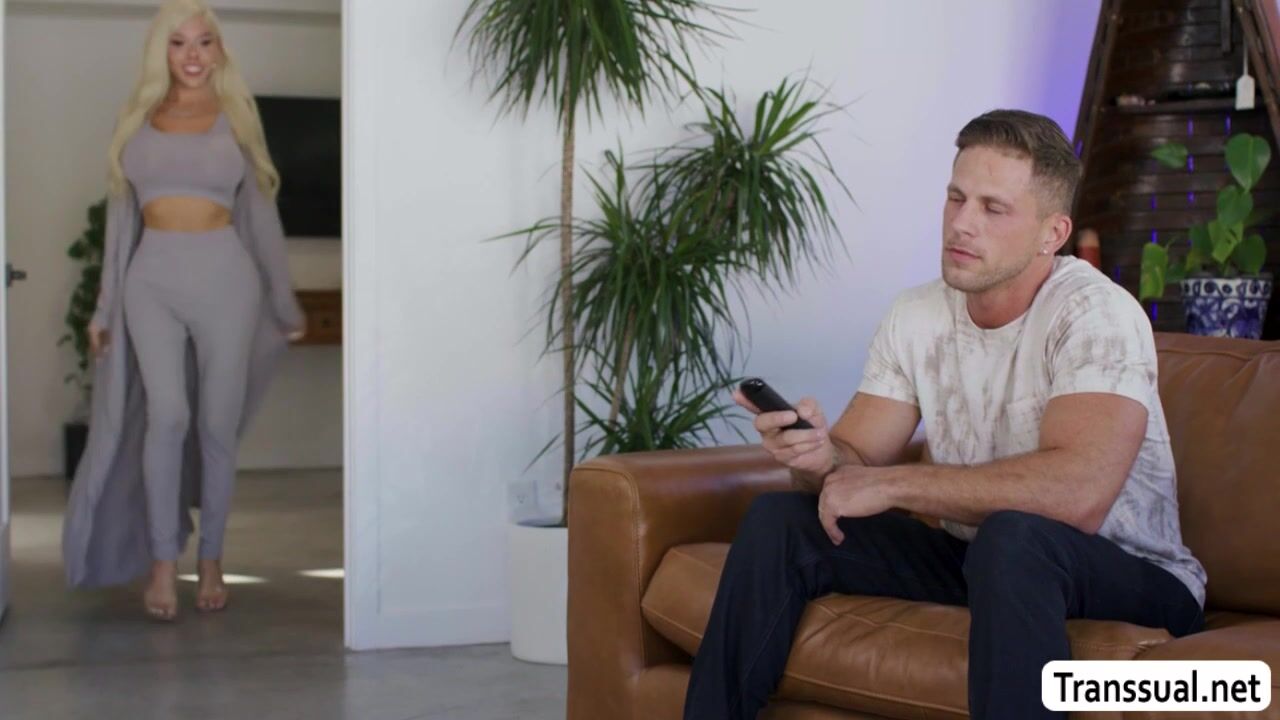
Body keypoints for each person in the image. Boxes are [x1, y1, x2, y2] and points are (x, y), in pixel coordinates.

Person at [682, 109, 1206, 719]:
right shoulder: (917, 315)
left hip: (1135, 573)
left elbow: (1078, 496)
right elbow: (852, 464)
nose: (961, 223)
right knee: (781, 521)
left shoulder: (1096, 315)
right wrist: (818, 457)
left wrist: (894, 484)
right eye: (956, 197)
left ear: (1052, 232)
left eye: (993, 208)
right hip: (985, 559)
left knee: (1014, 538)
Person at [62, 0, 305, 621]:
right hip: (151, 282)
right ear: (160, 52)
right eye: (178, 42)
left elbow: (262, 218)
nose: (192, 55)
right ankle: (163, 562)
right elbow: (120, 224)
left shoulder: (236, 118)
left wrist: (283, 301)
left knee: (215, 428)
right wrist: (104, 310)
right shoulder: (135, 120)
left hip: (227, 280)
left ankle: (213, 560)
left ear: (219, 50)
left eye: (203, 42)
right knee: (166, 415)